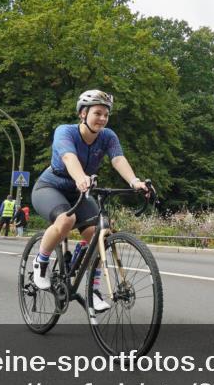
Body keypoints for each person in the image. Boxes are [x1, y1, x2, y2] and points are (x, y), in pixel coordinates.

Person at [29, 90, 149, 312]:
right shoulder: (65, 131)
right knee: (66, 220)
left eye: (106, 114)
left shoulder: (108, 136)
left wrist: (135, 182)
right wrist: (80, 177)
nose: (102, 118)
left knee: (100, 234)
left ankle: (92, 290)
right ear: (83, 113)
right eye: (97, 113)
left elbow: (118, 159)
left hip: (80, 191)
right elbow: (68, 157)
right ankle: (41, 262)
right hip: (50, 187)